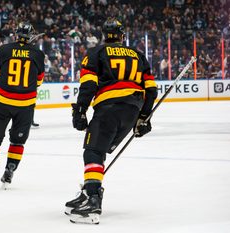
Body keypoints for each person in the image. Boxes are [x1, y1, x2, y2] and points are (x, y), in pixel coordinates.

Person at [65, 18, 158, 224]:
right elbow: (151, 90)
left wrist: (80, 111)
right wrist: (144, 117)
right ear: (122, 36)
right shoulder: (138, 55)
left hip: (108, 108)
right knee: (99, 150)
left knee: (93, 151)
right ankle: (90, 191)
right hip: (132, 111)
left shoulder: (97, 52)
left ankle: (93, 200)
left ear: (104, 35)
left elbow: (88, 85)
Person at [0, 21, 45, 192]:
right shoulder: (38, 54)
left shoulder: (4, 50)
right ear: (30, 37)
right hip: (25, 105)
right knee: (18, 141)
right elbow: (38, 81)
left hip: (2, 102)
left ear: (16, 34)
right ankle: (10, 171)